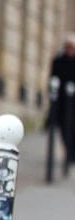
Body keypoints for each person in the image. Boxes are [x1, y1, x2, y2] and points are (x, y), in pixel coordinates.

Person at [48, 33, 75, 164]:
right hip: (62, 103)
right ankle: (69, 153)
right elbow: (52, 79)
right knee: (64, 129)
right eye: (68, 47)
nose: (70, 50)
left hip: (73, 103)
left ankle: (72, 154)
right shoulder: (58, 61)